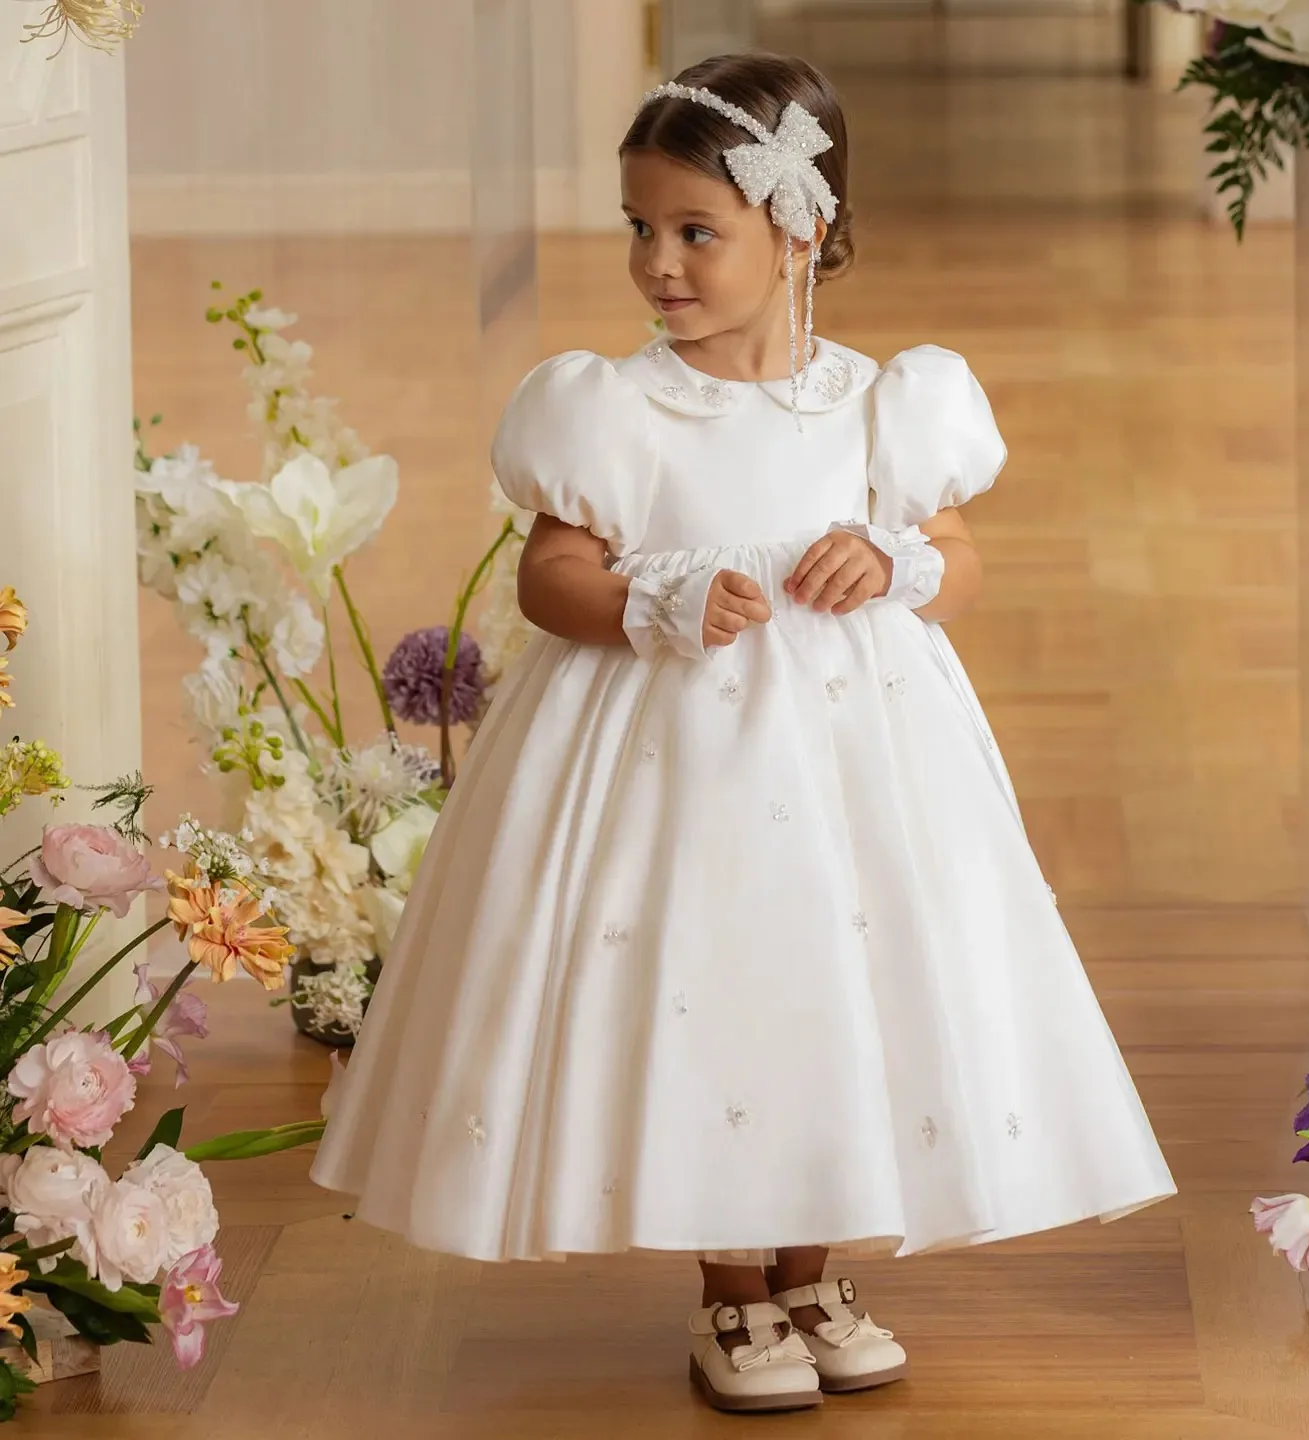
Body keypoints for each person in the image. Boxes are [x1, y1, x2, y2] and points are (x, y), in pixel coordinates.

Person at [310, 51, 1176, 1415]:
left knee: (838, 987)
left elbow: (958, 553)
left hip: (855, 762)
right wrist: (648, 596)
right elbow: (551, 577)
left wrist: (896, 566)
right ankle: (730, 1293)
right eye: (640, 229)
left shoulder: (889, 402)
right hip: (676, 763)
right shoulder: (613, 408)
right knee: (707, 986)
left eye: (695, 231)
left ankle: (813, 1268)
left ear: (800, 231)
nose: (659, 262)